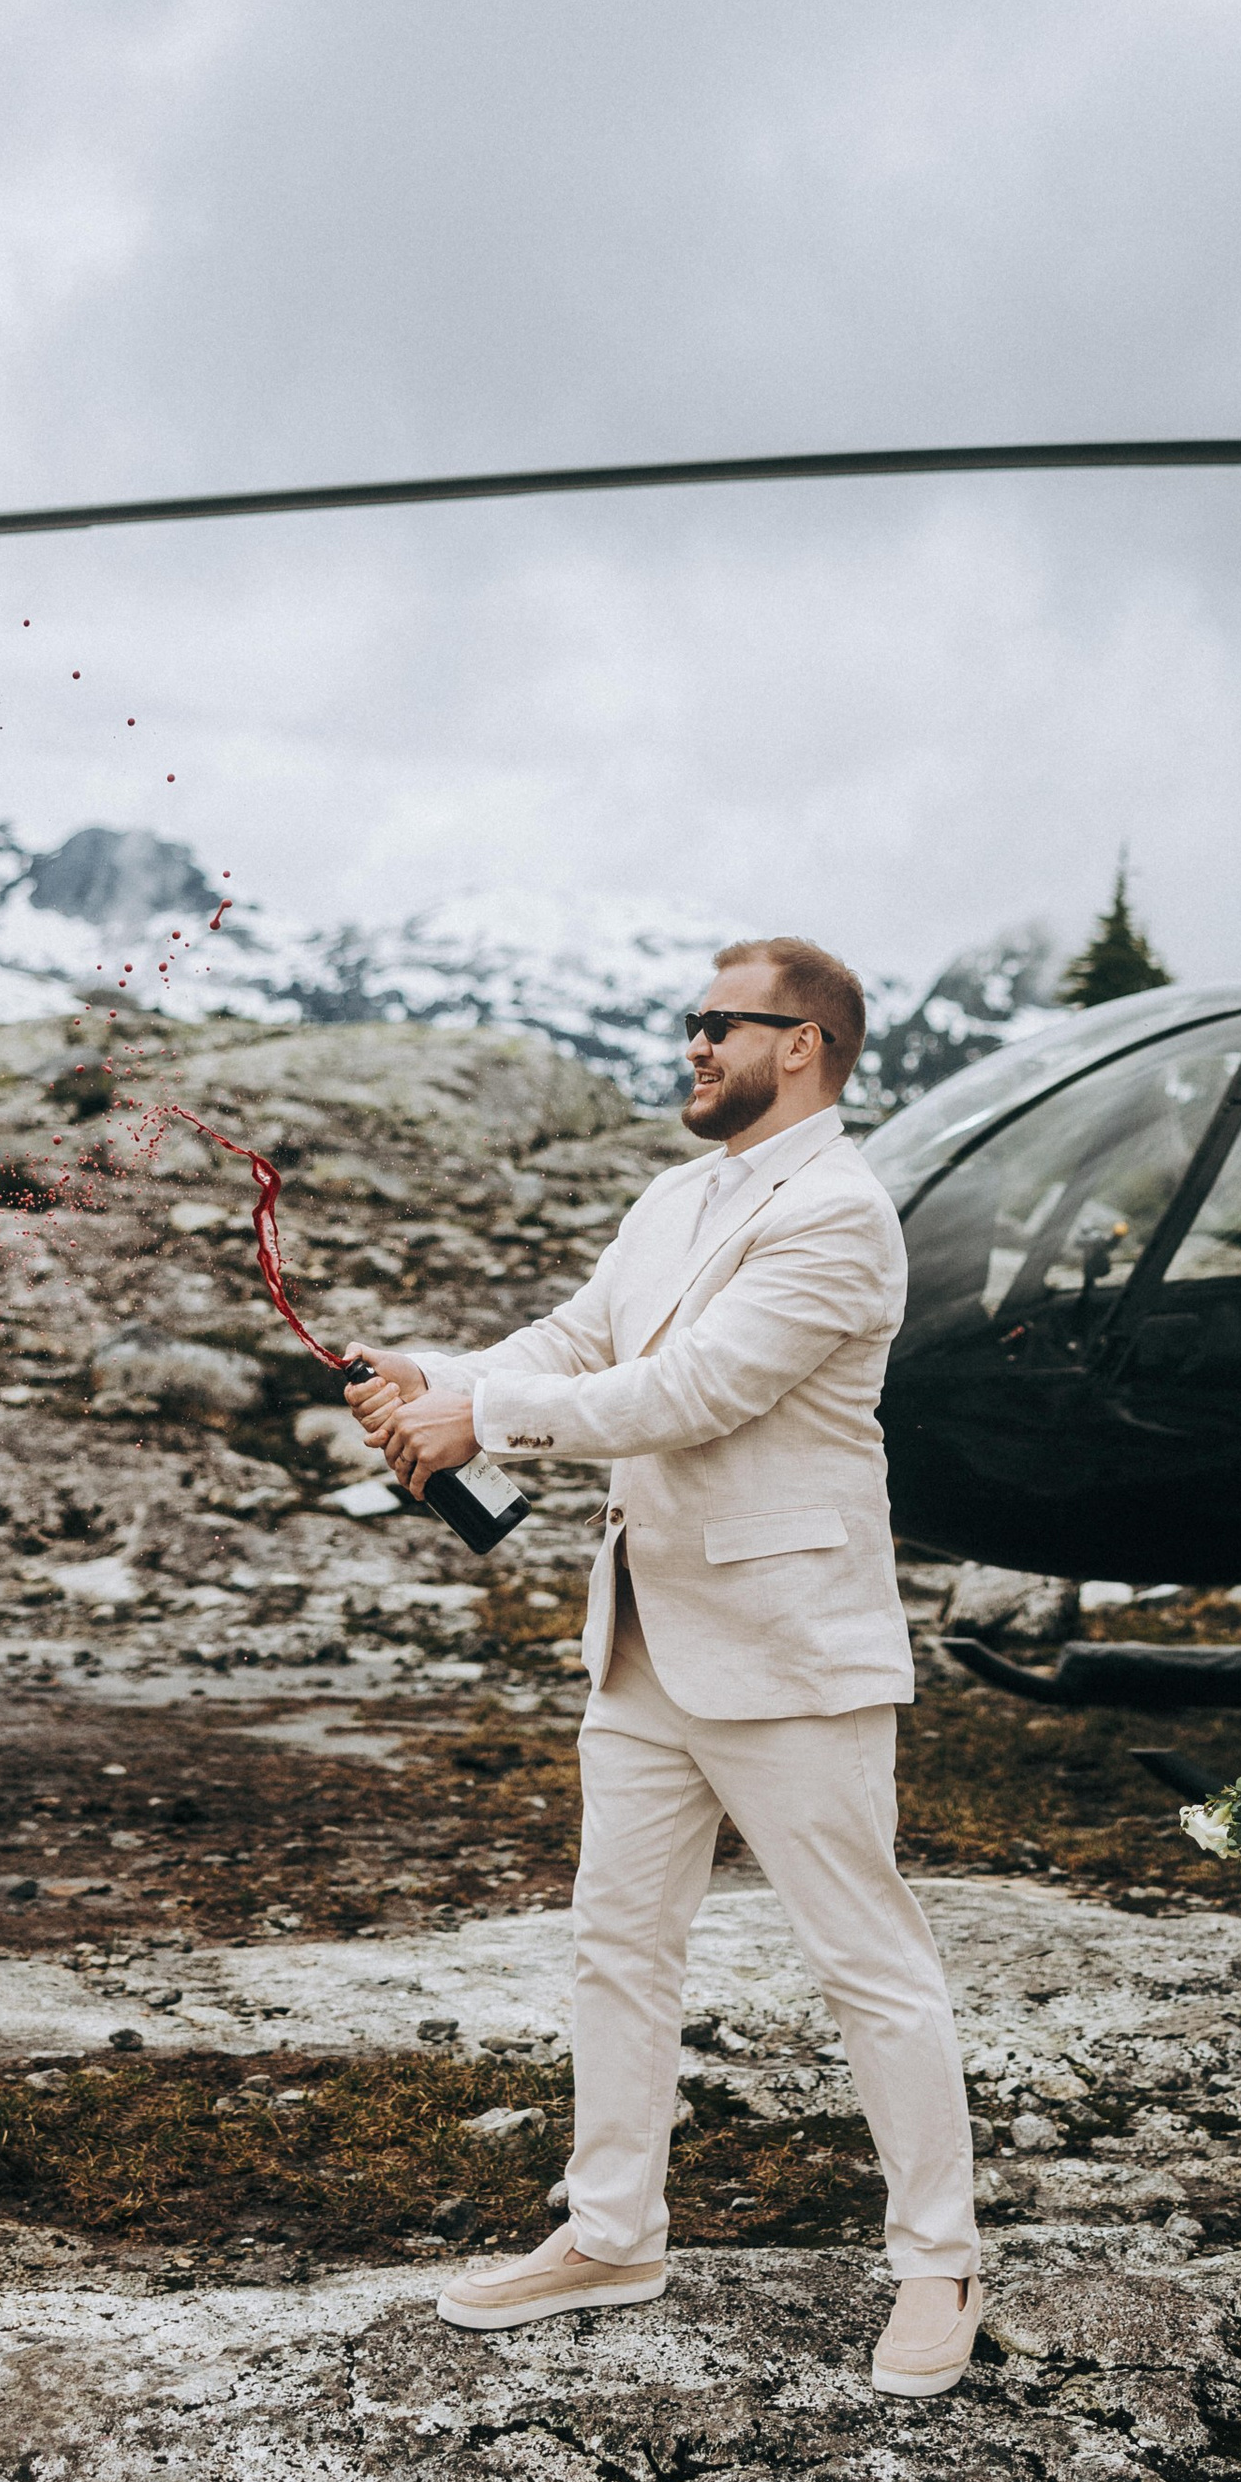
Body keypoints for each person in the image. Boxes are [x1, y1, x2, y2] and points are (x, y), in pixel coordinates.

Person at [348, 935, 981, 2400]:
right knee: (617, 1940)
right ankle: (614, 2228)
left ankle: (938, 2256)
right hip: (642, 1638)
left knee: (868, 1962)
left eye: (720, 1024)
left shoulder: (841, 1213)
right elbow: (579, 1338)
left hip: (796, 1652)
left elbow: (690, 1393)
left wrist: (483, 1420)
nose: (692, 1045)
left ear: (805, 1043)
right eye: (689, 1022)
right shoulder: (671, 1195)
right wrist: (437, 1382)